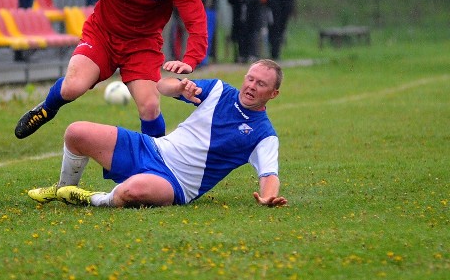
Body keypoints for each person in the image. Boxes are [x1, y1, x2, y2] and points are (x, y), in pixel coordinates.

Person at [0, 0, 208, 141]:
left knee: (149, 106)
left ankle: (154, 163)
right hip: (102, 35)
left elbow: (195, 15)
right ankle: (46, 109)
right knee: (72, 88)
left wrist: (190, 59)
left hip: (142, 45)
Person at [27, 59, 287, 208]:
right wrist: (180, 88)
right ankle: (63, 188)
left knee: (129, 192)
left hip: (176, 184)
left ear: (273, 94)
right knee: (76, 133)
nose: (251, 86)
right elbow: (162, 86)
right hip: (152, 148)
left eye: (261, 83)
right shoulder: (219, 90)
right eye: (250, 78)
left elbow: (269, 174)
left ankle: (93, 199)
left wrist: (268, 197)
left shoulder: (264, 134)